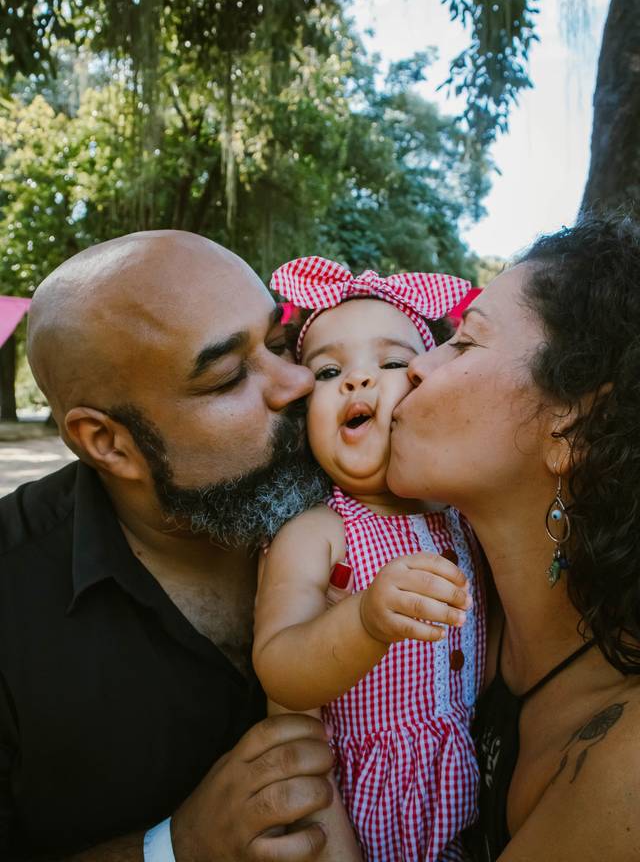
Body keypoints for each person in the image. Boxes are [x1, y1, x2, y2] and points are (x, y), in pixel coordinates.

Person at [0, 231, 352, 861]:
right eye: (226, 377)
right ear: (107, 443)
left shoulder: (377, 501)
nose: (297, 381)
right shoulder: (12, 591)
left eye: (277, 342)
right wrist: (175, 848)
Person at [386, 213, 640, 861]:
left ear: (573, 429)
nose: (416, 368)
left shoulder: (624, 774)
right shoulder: (440, 607)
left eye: (464, 343)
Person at [253, 256, 486, 862]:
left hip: (468, 801)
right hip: (363, 817)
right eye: (329, 371)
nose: (358, 381)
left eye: (390, 363)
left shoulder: (462, 515)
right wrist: (363, 621)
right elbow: (280, 669)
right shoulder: (318, 534)